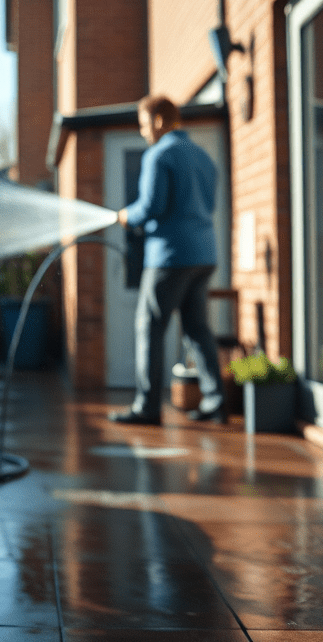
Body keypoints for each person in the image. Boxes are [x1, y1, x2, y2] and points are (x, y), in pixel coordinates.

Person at [109, 95, 225, 426]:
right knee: (197, 329)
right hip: (204, 255)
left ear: (160, 120)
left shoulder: (159, 155)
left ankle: (147, 407)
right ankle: (215, 401)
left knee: (149, 326)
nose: (143, 132)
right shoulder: (204, 158)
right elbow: (208, 205)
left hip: (170, 257)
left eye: (145, 125)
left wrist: (126, 216)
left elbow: (151, 208)